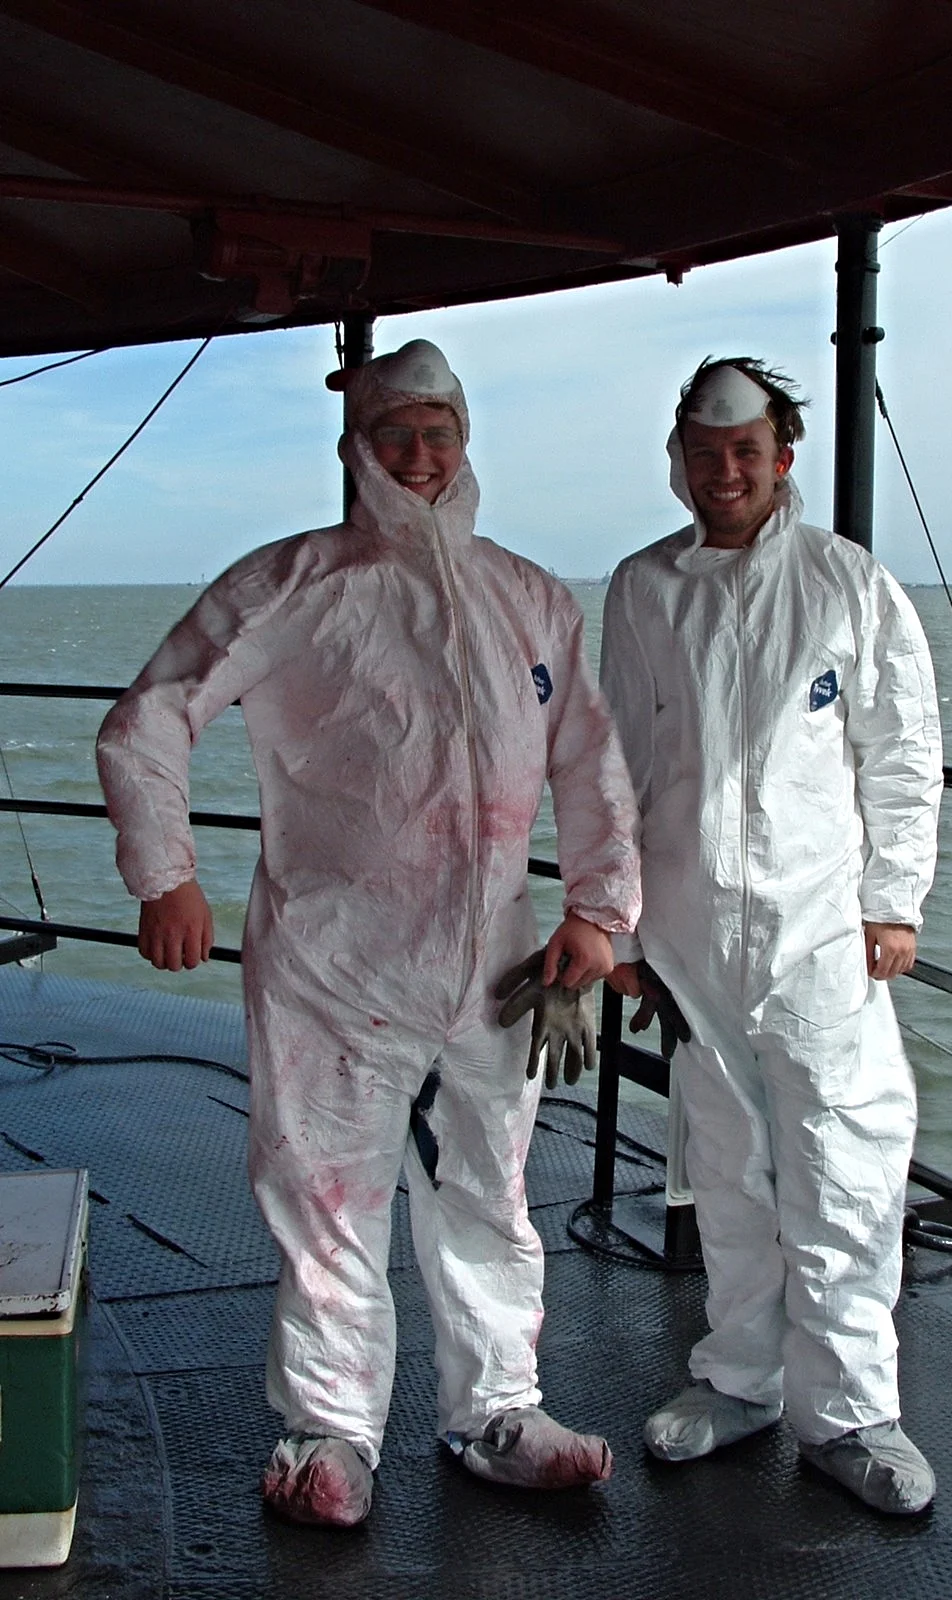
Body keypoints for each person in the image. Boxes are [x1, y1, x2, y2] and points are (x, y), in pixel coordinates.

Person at [96, 339, 641, 1527]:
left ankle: (499, 1406)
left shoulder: (531, 596)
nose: (420, 455)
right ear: (360, 451)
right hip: (334, 962)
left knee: (492, 1189)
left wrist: (600, 915)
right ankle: (330, 1431)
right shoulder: (290, 584)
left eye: (438, 431)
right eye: (396, 435)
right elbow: (151, 717)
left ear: (464, 440)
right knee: (329, 1194)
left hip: (498, 960)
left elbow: (591, 760)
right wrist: (165, 876)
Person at [600, 357, 942, 1516]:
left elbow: (901, 744)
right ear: (681, 461)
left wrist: (892, 899)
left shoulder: (848, 583)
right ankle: (741, 1379)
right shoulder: (643, 589)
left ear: (783, 458)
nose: (726, 471)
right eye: (706, 452)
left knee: (844, 1169)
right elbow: (619, 767)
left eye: (746, 451)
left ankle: (851, 1411)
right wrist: (622, 919)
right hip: (692, 939)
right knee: (728, 1175)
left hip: (817, 936)